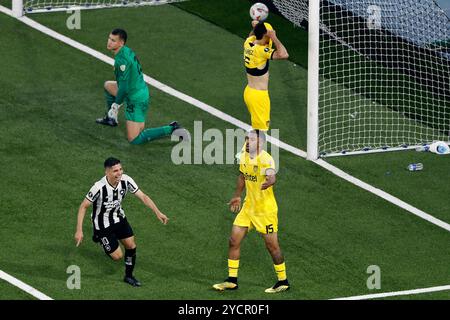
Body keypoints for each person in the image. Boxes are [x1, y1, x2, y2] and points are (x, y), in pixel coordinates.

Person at [213, 130, 290, 293]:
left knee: (272, 246)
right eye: (247, 139)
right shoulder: (245, 156)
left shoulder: (266, 159)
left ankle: (283, 281)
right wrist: (237, 196)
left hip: (265, 211)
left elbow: (271, 174)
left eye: (251, 139)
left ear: (260, 143)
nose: (247, 142)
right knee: (233, 240)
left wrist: (270, 181)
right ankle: (232, 280)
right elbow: (242, 176)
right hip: (248, 208)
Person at [74, 157, 169, 287]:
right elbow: (83, 206)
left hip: (119, 218)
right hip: (102, 224)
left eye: (120, 169)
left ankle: (129, 276)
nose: (119, 173)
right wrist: (79, 230)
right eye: (115, 171)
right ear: (107, 172)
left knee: (131, 246)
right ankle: (99, 236)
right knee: (117, 256)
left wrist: (158, 212)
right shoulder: (98, 187)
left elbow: (143, 196)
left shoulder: (126, 180)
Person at [96, 28, 181, 144]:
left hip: (135, 98)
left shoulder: (121, 60)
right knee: (108, 86)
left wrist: (115, 106)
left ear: (121, 43)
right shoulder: (126, 51)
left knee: (134, 139)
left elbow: (124, 88)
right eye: (109, 38)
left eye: (113, 40)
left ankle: (172, 128)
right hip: (139, 91)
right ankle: (111, 119)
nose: (109, 42)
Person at [243, 21, 289, 131]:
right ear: (266, 36)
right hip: (258, 97)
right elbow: (283, 54)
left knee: (258, 130)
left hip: (250, 92)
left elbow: (253, 36)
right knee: (260, 132)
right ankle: (249, 149)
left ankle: (252, 148)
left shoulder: (248, 43)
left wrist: (256, 28)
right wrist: (274, 38)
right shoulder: (261, 51)